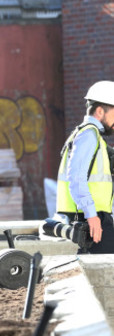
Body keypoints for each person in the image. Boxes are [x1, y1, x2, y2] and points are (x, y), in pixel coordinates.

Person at [56, 80, 114, 254]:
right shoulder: (88, 135)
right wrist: (92, 216)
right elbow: (76, 178)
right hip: (92, 216)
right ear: (99, 111)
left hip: (94, 215)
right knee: (106, 271)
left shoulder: (91, 136)